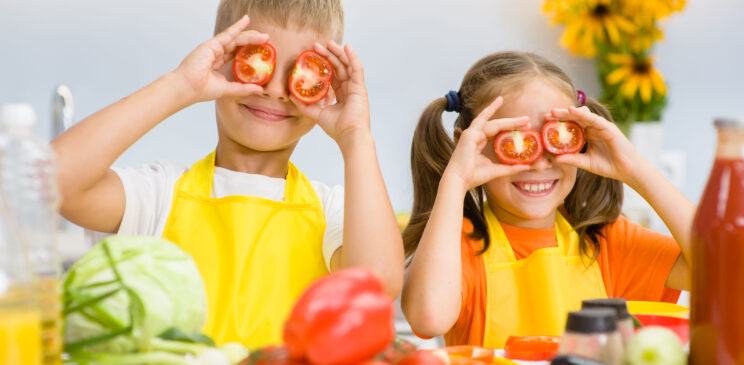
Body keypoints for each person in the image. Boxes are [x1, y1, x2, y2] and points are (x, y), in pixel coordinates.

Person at [52, 0, 404, 348]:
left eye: (302, 72)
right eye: (255, 60)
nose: (275, 90)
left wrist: (356, 137)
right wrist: (181, 86)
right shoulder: (158, 194)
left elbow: (377, 283)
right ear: (219, 61)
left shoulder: (332, 212)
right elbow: (55, 181)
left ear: (325, 86)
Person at [400, 51, 692, 348]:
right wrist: (456, 179)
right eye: (514, 141)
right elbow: (428, 319)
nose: (539, 164)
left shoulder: (606, 243)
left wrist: (637, 170)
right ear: (468, 145)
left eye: (559, 137)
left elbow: (724, 267)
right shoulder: (457, 246)